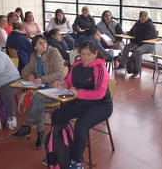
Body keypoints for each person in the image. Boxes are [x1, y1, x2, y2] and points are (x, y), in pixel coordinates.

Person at [42, 40, 113, 169]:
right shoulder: (76, 65)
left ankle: (76, 161)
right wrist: (63, 84)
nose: (85, 58)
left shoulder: (100, 68)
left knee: (80, 125)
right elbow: (69, 81)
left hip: (101, 105)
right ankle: (58, 150)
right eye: (83, 54)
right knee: (57, 116)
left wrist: (78, 93)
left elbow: (99, 94)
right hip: (81, 102)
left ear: (95, 54)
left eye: (88, 54)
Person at [10, 34, 65, 149]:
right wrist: (29, 75)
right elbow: (24, 71)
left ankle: (27, 127)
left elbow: (60, 73)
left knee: (36, 99)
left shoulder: (53, 52)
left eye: (44, 42)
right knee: (38, 102)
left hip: (55, 88)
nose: (43, 44)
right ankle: (40, 135)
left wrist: (42, 79)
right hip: (41, 90)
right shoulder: (34, 56)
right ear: (34, 47)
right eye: (40, 43)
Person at [115, 11, 155, 78]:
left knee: (138, 51)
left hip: (148, 44)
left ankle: (137, 70)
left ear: (147, 17)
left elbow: (146, 37)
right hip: (137, 42)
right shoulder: (137, 23)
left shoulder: (150, 25)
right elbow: (132, 31)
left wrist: (137, 45)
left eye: (145, 16)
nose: (143, 18)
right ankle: (122, 64)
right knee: (126, 47)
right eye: (142, 16)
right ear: (139, 17)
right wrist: (127, 33)